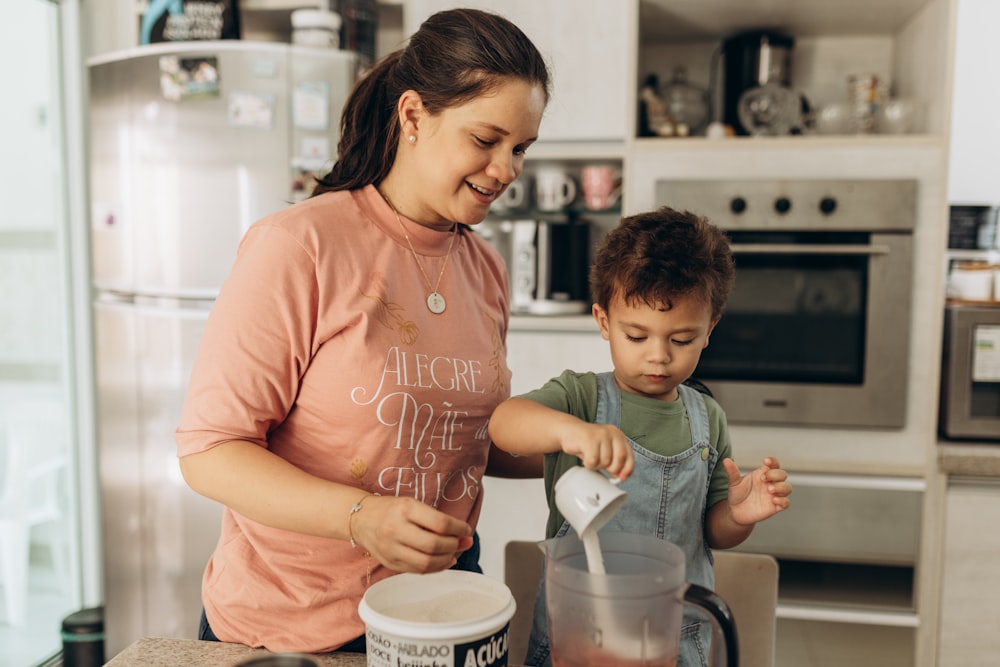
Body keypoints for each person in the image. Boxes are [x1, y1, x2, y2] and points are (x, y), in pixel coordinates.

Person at [174, 8, 550, 654]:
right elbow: (209, 451)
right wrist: (362, 517)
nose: (507, 168)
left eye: (520, 148)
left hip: (439, 610)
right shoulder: (299, 246)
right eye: (486, 140)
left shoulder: (484, 267)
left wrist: (597, 442)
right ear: (412, 116)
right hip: (292, 629)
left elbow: (465, 433)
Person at [487, 207, 793, 667]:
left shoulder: (707, 419)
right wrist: (569, 431)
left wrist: (739, 514)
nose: (658, 357)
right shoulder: (580, 397)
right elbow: (504, 423)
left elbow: (712, 531)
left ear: (710, 329)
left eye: (682, 339)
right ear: (604, 320)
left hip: (673, 637)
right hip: (579, 633)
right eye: (636, 335)